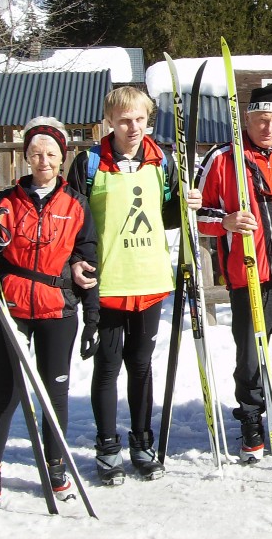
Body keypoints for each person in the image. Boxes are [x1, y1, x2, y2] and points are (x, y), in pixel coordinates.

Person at [67, 86, 201, 485]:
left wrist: (186, 203)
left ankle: (142, 443)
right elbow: (73, 218)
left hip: (149, 277)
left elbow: (167, 215)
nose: (133, 127)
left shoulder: (163, 160)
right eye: (124, 120)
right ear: (109, 120)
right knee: (108, 368)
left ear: (149, 120)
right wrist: (77, 262)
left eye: (140, 119)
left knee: (141, 367)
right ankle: (107, 448)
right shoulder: (89, 162)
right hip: (107, 280)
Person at [0, 117, 99, 506]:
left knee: (54, 393)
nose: (43, 161)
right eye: (35, 153)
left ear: (62, 158)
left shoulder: (76, 205)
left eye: (51, 154)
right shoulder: (4, 203)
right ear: (26, 157)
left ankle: (56, 468)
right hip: (10, 308)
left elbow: (87, 258)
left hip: (57, 308)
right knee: (6, 392)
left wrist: (92, 315)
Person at [196, 82, 272, 462]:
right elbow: (197, 216)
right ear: (247, 120)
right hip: (248, 275)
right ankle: (251, 421)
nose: (268, 127)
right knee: (249, 358)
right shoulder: (222, 160)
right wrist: (227, 221)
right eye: (261, 120)